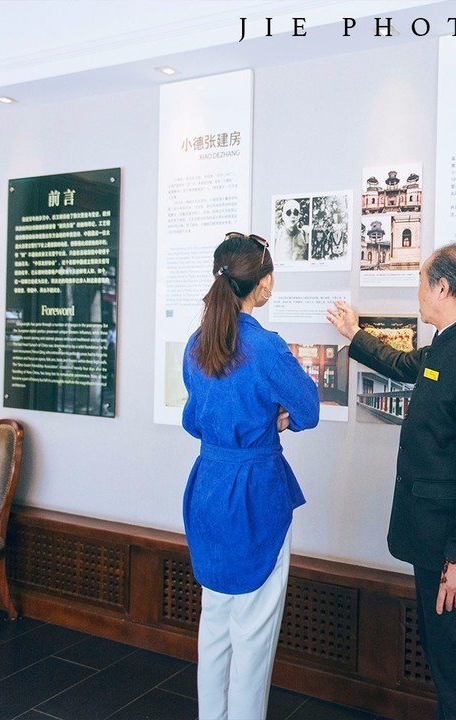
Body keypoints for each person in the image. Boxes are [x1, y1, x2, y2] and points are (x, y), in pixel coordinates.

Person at [327, 243, 456, 720]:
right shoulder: (450, 343)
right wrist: (355, 334)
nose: (418, 296)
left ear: (443, 288)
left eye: (421, 284)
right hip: (433, 539)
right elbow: (408, 367)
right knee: (447, 660)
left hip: (452, 547)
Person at [181, 232, 320, 720]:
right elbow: (308, 407)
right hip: (255, 493)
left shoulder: (198, 343)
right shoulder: (266, 347)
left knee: (214, 623)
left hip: (208, 489)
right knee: (253, 635)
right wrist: (280, 416)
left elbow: (194, 419)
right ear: (261, 283)